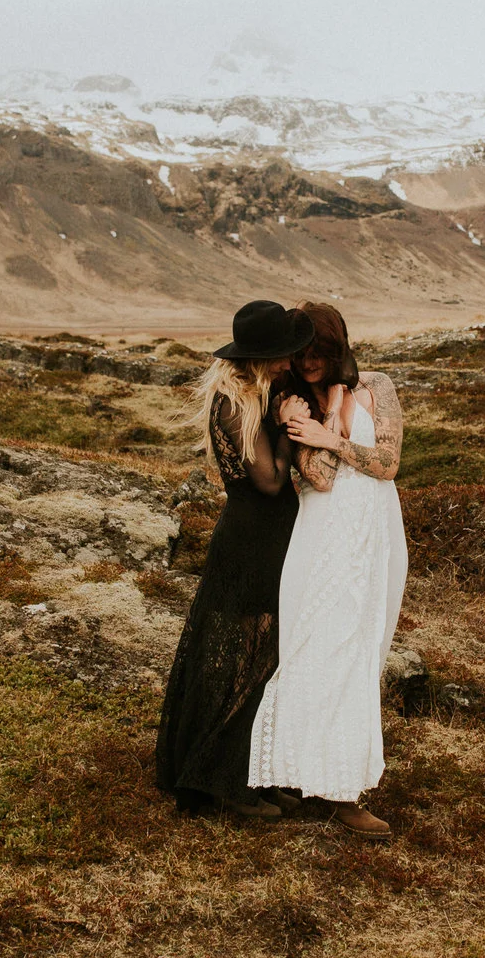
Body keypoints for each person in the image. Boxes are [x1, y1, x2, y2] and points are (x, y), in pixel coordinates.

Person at [250, 301, 408, 839]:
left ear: (337, 347)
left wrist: (334, 436)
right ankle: (313, 779)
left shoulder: (377, 387)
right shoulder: (293, 401)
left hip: (374, 533)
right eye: (301, 353)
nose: (310, 362)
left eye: (319, 352)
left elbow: (388, 464)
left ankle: (336, 779)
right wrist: (314, 424)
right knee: (312, 646)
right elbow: (319, 478)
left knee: (361, 650)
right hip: (321, 537)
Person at [154, 299, 316, 817]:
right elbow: (268, 481)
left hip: (268, 534)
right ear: (259, 356)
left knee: (263, 656)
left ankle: (249, 770)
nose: (289, 363)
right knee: (239, 658)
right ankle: (217, 776)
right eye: (281, 355)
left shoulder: (255, 394)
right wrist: (291, 430)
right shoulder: (233, 403)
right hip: (251, 538)